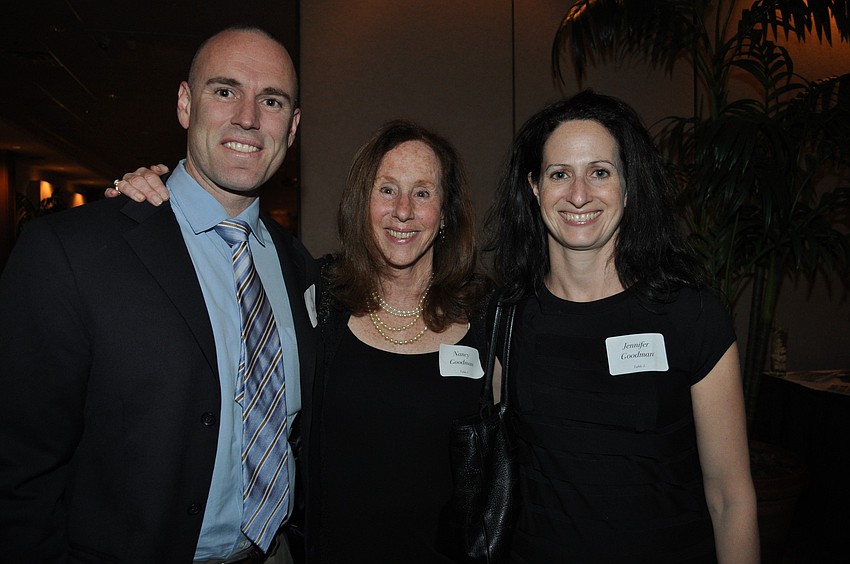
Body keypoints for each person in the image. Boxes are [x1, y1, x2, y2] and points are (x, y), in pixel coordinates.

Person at [102, 119, 493, 563]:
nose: (402, 210)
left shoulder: (489, 317)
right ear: (361, 203)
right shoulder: (316, 290)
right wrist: (157, 194)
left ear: (445, 212)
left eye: (422, 193)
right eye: (386, 189)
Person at [0, 25, 319, 563]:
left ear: (292, 127)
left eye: (272, 100)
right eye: (225, 91)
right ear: (185, 104)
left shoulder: (299, 266)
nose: (248, 117)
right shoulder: (72, 253)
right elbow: (18, 471)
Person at [485, 90, 759, 563]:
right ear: (534, 187)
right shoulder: (504, 318)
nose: (578, 194)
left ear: (629, 186)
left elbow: (730, 499)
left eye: (599, 172)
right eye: (559, 174)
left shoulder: (690, 315)